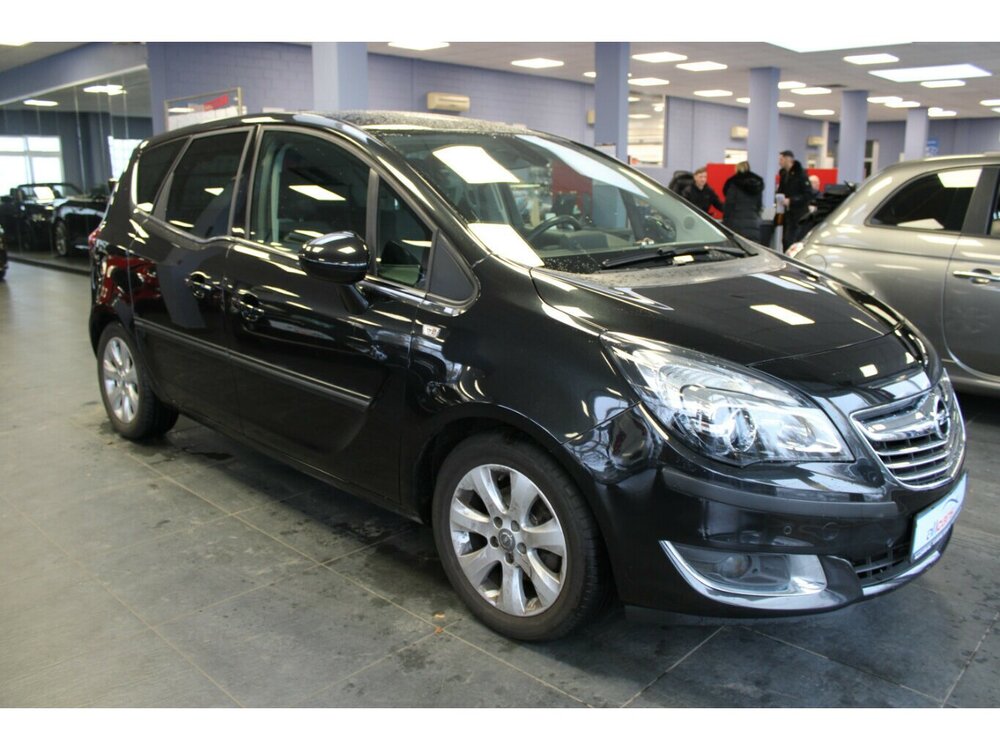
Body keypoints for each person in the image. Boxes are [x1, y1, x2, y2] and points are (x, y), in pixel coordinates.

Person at [722, 161, 764, 243]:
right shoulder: (757, 185)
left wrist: (725, 225)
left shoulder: (733, 184)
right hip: (753, 226)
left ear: (736, 169)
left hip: (736, 226)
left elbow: (729, 207)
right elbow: (759, 206)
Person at [777, 150, 811, 250]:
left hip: (799, 216)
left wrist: (791, 200)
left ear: (788, 159)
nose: (779, 162)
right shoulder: (784, 175)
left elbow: (808, 195)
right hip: (787, 214)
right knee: (786, 241)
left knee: (793, 241)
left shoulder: (801, 175)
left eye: (781, 159)